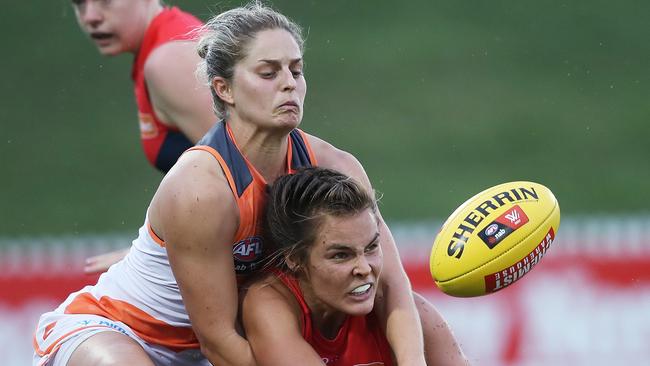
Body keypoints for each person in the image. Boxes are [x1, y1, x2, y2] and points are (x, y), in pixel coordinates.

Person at [34, 2, 466, 365]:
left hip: (210, 349)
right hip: (119, 329)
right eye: (268, 72)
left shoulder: (336, 165)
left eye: (296, 71)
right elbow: (219, 343)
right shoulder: (203, 187)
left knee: (422, 320)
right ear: (223, 89)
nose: (288, 84)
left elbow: (392, 287)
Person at [70, 0, 216, 273]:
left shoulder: (169, 60)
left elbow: (256, 175)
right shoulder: (167, 45)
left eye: (105, 1)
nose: (90, 17)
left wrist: (151, 254)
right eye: (79, 4)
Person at [241, 167, 394, 365]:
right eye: (341, 255)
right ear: (294, 258)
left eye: (372, 247)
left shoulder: (409, 318)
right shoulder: (266, 303)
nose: (364, 268)